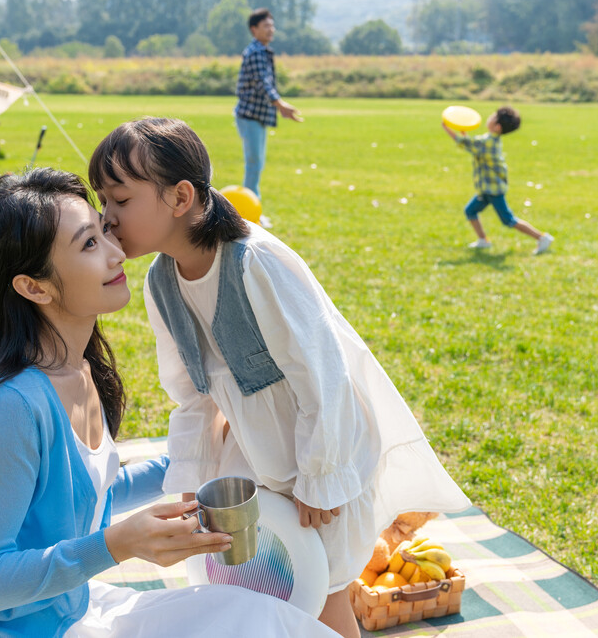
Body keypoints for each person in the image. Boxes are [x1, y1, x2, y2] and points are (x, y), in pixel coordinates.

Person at [0, 168, 339, 638]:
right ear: (34, 286)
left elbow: (89, 493)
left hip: (69, 614)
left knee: (260, 615)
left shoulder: (79, 371)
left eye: (103, 231)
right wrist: (117, 544)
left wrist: (207, 455)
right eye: (88, 244)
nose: (118, 253)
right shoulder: (8, 409)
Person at [89, 119, 471, 638]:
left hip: (318, 447)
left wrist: (318, 478)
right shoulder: (162, 280)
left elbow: (323, 377)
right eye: (102, 202)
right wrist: (189, 481)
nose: (106, 219)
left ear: (180, 196)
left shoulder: (255, 263)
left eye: (120, 201)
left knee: (321, 590)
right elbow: (191, 393)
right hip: (254, 455)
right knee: (260, 587)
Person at [443, 105, 554, 255]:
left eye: (492, 116)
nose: (489, 117)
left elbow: (467, 144)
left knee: (508, 220)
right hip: (486, 189)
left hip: (493, 190)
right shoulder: (490, 140)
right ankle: (483, 240)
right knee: (470, 210)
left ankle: (542, 238)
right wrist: (466, 136)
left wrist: (447, 128)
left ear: (497, 127)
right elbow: (474, 144)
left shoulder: (488, 142)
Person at [234, 7, 302, 212]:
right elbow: (264, 84)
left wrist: (278, 106)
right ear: (254, 29)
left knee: (257, 164)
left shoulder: (262, 51)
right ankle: (249, 211)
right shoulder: (256, 53)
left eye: (272, 25)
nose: (271, 29)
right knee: (254, 164)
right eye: (266, 26)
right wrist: (281, 104)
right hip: (250, 116)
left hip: (258, 116)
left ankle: (252, 208)